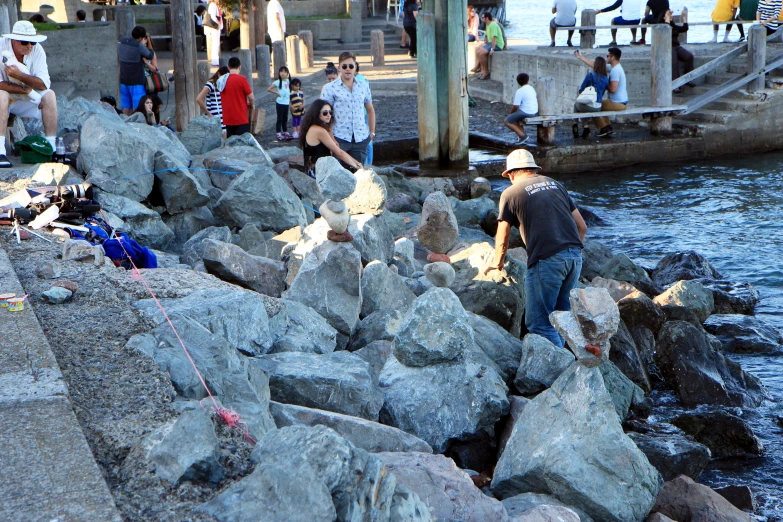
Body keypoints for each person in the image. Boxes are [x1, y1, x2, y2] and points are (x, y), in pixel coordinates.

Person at [485, 149, 587, 349]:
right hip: (575, 257)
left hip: (547, 260)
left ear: (511, 174)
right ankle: (571, 371)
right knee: (560, 319)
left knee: (539, 324)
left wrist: (497, 263)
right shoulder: (556, 185)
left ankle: (561, 366)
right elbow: (582, 227)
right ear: (533, 169)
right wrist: (573, 254)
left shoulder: (511, 193)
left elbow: (503, 234)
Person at [0, 21, 57, 168]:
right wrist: (24, 89)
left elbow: (44, 84)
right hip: (6, 96)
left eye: (33, 42)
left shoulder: (37, 50)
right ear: (13, 40)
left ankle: (52, 148)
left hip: (26, 97)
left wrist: (19, 76)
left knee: (49, 96)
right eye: (25, 42)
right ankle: (0, 152)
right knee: (2, 96)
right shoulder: (1, 47)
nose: (29, 46)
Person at [320, 51, 376, 164]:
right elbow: (324, 115)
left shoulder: (363, 85)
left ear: (355, 67)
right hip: (339, 138)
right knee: (340, 175)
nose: (348, 69)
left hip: (360, 138)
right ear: (339, 67)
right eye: (344, 66)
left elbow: (370, 110)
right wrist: (331, 139)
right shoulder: (329, 88)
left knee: (359, 174)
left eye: (351, 66)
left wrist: (371, 133)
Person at [299, 98, 363, 177]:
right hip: (318, 173)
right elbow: (339, 153)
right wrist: (357, 167)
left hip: (313, 169)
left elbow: (339, 151)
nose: (329, 115)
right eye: (325, 113)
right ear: (316, 114)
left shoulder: (311, 127)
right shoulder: (319, 130)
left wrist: (357, 163)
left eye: (330, 112)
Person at [576, 47, 626, 137]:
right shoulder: (614, 67)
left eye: (608, 55)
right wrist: (581, 57)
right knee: (599, 103)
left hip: (618, 103)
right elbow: (596, 65)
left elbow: (613, 89)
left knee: (595, 105)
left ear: (612, 57)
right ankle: (607, 127)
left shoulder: (615, 71)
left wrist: (604, 84)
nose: (606, 57)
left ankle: (603, 128)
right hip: (619, 101)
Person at [118, 25, 156, 116]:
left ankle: (123, 124)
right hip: (136, 81)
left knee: (126, 107)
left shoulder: (121, 42)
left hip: (124, 80)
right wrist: (149, 44)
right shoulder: (139, 46)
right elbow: (150, 55)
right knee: (138, 107)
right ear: (140, 38)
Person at [572, 55, 609, 139]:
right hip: (598, 107)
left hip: (589, 106)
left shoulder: (590, 75)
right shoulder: (606, 79)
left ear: (595, 65)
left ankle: (576, 124)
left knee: (577, 104)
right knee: (582, 106)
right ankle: (585, 129)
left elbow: (581, 90)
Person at [216, 56, 254, 138]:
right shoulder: (241, 79)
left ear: (228, 67)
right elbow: (251, 97)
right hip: (241, 118)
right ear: (240, 67)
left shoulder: (222, 81)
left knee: (231, 147)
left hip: (228, 118)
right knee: (243, 145)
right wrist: (251, 105)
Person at [504, 73, 538, 145]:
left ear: (518, 82)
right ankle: (521, 137)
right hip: (535, 111)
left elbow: (516, 106)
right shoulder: (531, 88)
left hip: (526, 112)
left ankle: (523, 136)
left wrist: (511, 113)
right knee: (517, 119)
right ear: (527, 80)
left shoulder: (520, 91)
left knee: (507, 121)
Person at [196, 65, 229, 135]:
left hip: (222, 115)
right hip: (214, 115)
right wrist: (208, 113)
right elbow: (199, 99)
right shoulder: (210, 84)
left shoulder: (221, 84)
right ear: (218, 74)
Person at [667, 9, 694, 90]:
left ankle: (688, 79)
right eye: (668, 15)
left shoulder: (673, 26)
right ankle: (676, 86)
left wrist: (683, 17)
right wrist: (668, 18)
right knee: (674, 63)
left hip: (677, 46)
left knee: (689, 57)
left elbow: (685, 28)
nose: (670, 16)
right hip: (669, 47)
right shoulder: (663, 26)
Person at [476, 12, 504, 80]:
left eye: (483, 17)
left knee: (482, 53)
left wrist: (492, 49)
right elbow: (488, 36)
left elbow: (494, 37)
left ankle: (486, 71)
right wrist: (485, 42)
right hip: (490, 43)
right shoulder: (488, 25)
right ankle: (482, 70)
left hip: (497, 44)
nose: (481, 19)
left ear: (487, 18)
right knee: (478, 50)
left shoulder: (493, 25)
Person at [267, 65, 291, 141]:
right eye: (281, 71)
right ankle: (278, 133)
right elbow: (269, 89)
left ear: (287, 73)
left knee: (285, 118)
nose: (283, 73)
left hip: (286, 103)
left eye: (285, 72)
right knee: (279, 118)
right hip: (280, 102)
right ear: (279, 73)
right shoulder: (277, 82)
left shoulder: (287, 81)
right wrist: (277, 92)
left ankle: (285, 131)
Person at [203, 0, 222, 66]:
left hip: (215, 27)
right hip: (214, 27)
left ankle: (215, 59)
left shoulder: (214, 5)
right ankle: (215, 60)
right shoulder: (213, 5)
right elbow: (213, 17)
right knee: (215, 44)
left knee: (216, 43)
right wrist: (218, 23)